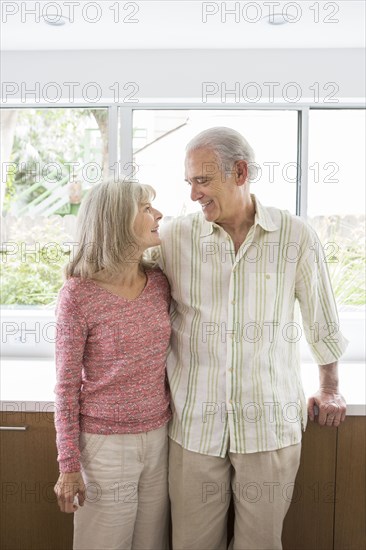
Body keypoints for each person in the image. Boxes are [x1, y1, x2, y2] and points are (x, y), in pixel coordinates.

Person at [157, 127, 348, 550]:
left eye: (202, 181)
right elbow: (122, 280)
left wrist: (330, 388)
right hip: (195, 425)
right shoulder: (173, 237)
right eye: (189, 183)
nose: (193, 194)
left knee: (260, 544)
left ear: (240, 172)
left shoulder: (295, 235)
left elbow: (321, 317)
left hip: (270, 424)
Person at [53, 179, 171, 550]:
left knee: (150, 544)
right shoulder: (78, 295)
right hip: (104, 445)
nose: (158, 214)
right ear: (117, 220)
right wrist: (69, 464)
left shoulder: (159, 283)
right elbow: (66, 387)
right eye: (146, 207)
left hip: (160, 437)